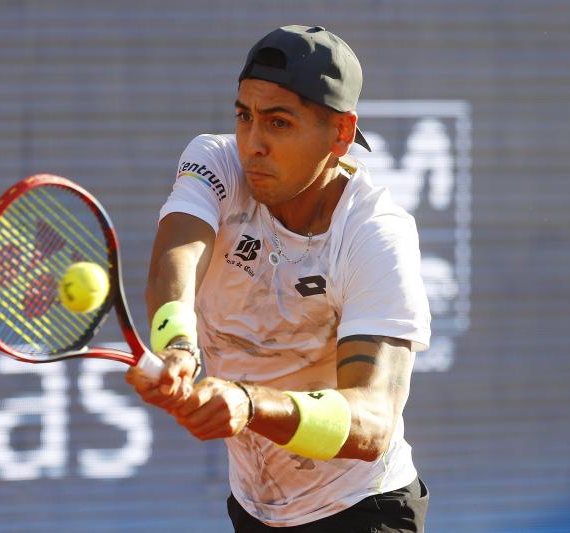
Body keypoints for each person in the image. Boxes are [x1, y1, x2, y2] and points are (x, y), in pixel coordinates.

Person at [126, 25, 431, 532]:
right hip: (253, 510)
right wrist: (177, 343)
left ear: (340, 133)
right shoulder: (214, 160)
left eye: (279, 123)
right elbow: (177, 254)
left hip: (363, 511)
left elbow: (373, 421)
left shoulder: (376, 234)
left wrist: (248, 403)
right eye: (244, 116)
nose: (253, 144)